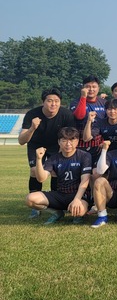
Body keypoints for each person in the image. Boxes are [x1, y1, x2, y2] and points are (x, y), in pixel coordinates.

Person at [19, 88, 75, 217]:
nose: (53, 104)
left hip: (56, 145)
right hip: (36, 145)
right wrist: (32, 128)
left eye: (56, 101)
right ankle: (35, 205)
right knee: (34, 171)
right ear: (43, 102)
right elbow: (22, 141)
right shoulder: (32, 114)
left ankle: (56, 204)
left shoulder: (66, 115)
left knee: (56, 172)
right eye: (50, 101)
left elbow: (69, 137)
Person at [25, 127, 92, 224]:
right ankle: (57, 212)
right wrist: (39, 159)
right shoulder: (54, 158)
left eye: (71, 140)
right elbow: (41, 178)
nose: (68, 144)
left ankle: (79, 213)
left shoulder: (84, 156)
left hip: (78, 194)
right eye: (64, 141)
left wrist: (77, 199)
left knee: (80, 211)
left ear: (77, 141)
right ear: (59, 142)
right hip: (60, 194)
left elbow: (85, 180)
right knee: (30, 199)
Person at [70, 75, 107, 162]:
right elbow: (79, 116)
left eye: (94, 87)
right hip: (80, 143)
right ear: (83, 88)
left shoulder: (104, 103)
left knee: (95, 172)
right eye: (88, 87)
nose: (91, 89)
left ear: (98, 88)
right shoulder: (76, 102)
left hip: (97, 143)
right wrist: (83, 97)